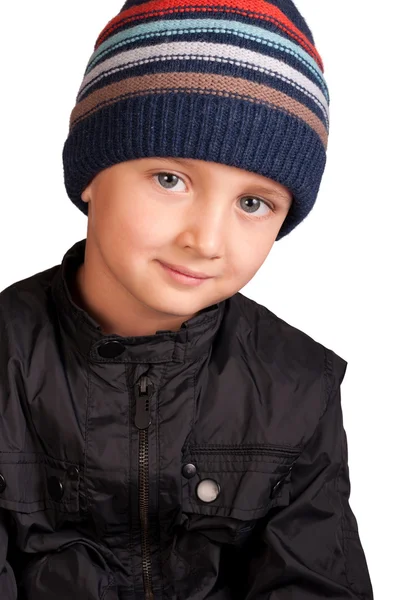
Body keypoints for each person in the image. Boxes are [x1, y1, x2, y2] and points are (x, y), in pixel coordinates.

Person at [0, 0, 374, 598]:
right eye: (170, 180)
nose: (205, 239)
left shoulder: (298, 384)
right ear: (91, 173)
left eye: (253, 203)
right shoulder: (8, 366)